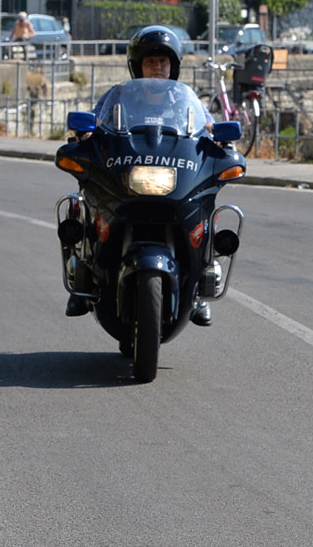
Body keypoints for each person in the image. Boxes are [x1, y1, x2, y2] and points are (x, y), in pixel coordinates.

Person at [67, 26, 216, 325]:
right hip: (127, 173)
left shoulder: (187, 102)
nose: (157, 67)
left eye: (163, 61)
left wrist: (218, 136)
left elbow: (208, 127)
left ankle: (201, 284)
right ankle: (82, 271)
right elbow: (95, 121)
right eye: (150, 61)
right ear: (138, 66)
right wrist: (83, 134)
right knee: (86, 201)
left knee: (204, 207)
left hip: (173, 174)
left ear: (174, 66)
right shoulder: (118, 95)